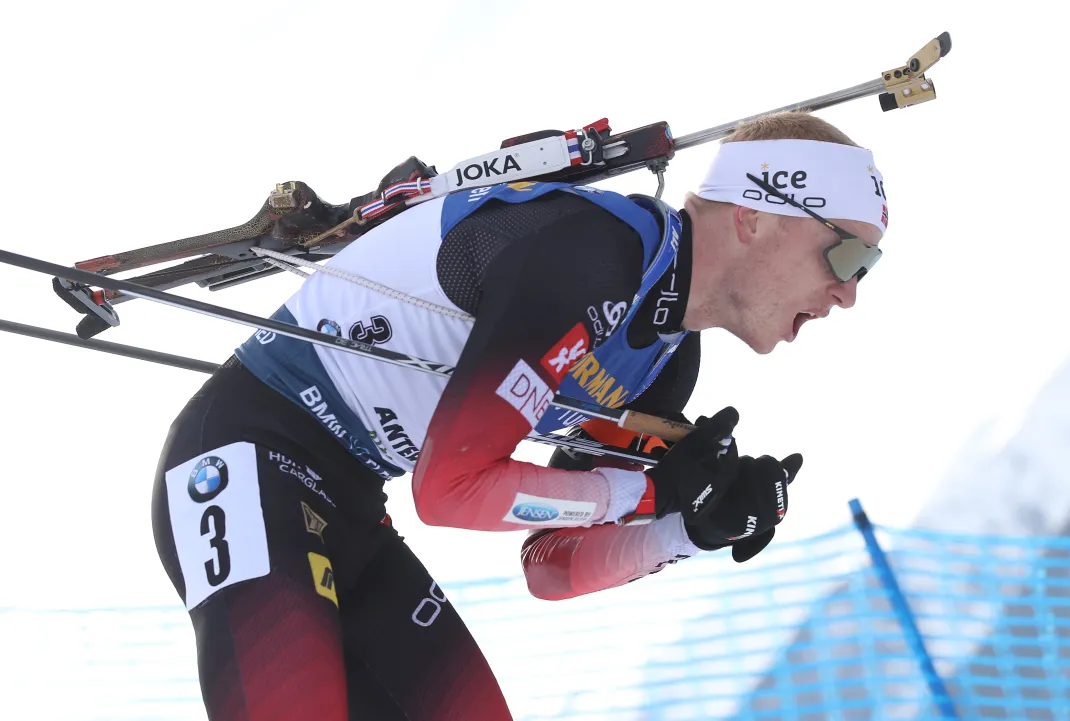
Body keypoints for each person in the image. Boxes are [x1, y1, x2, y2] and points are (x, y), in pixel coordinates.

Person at [150, 110, 889, 720]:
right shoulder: (590, 253)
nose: (849, 291)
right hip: (250, 455)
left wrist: (690, 528)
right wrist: (650, 494)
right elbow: (450, 491)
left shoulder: (666, 361)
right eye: (848, 255)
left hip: (350, 509)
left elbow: (552, 564)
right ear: (756, 217)